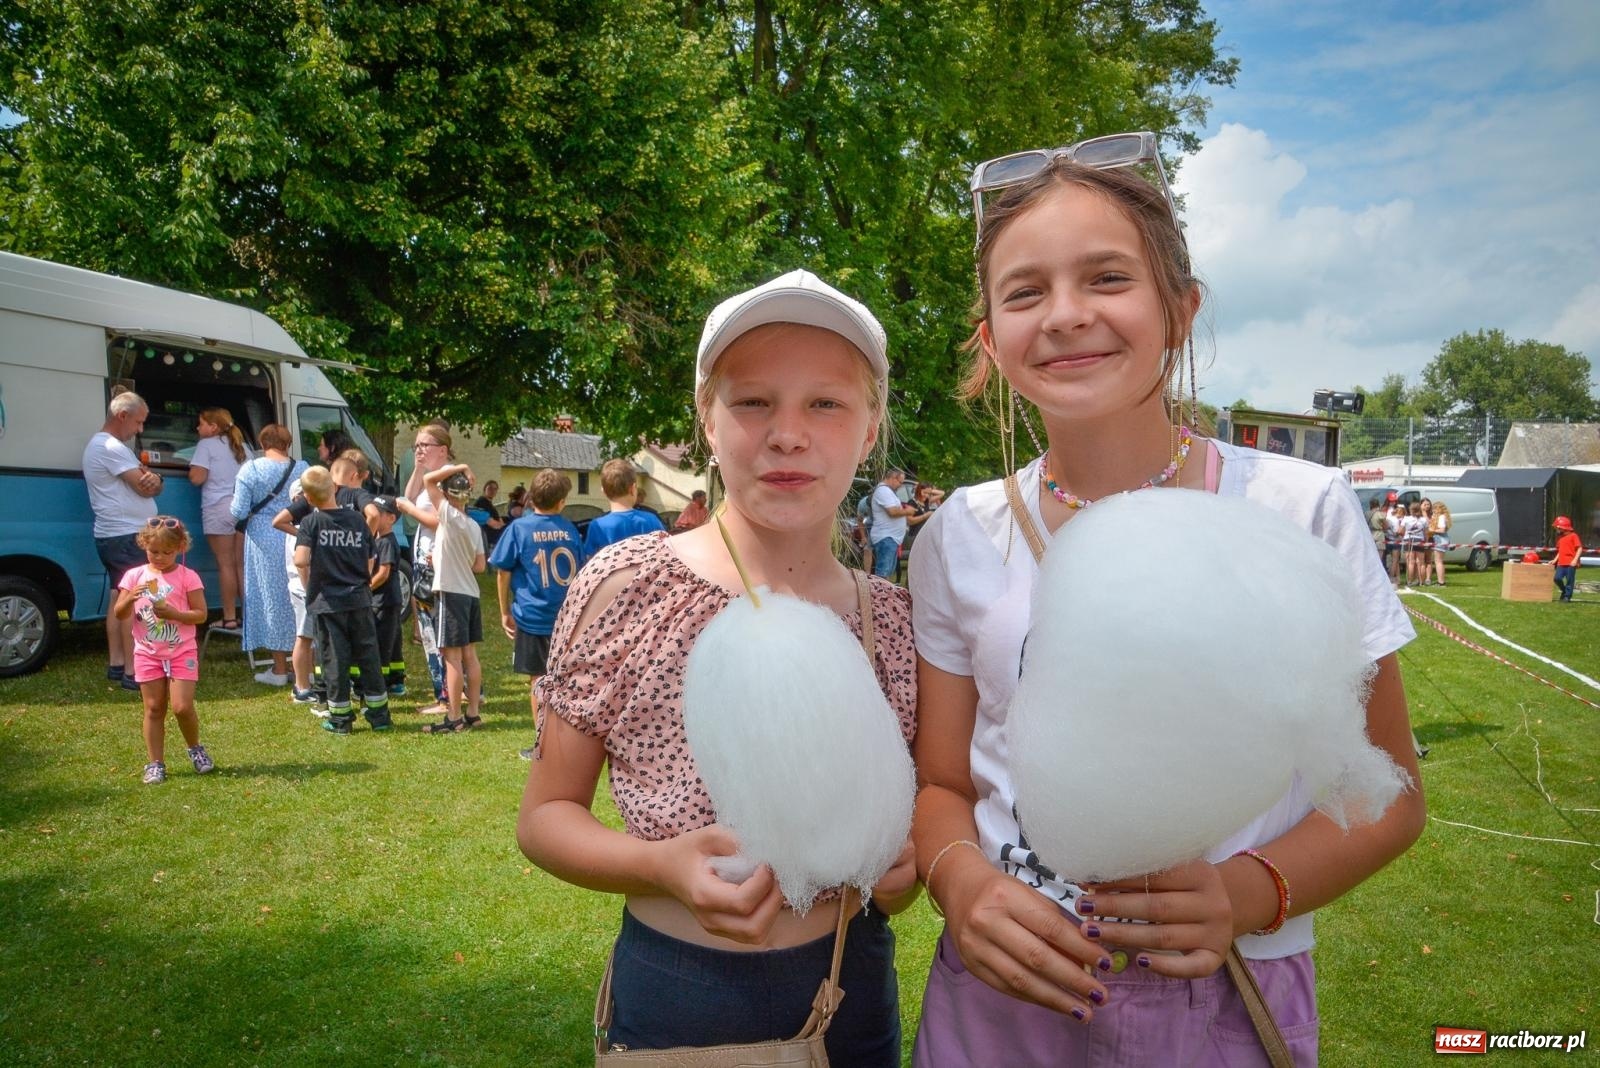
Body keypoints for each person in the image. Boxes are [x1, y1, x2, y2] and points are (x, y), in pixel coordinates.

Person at [907, 134, 1425, 1065]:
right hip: (1006, 998)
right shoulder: (959, 535)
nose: (1065, 316)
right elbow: (942, 783)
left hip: (1222, 995)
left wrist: (1248, 891)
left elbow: (1387, 794)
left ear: (1180, 311)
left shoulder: (1298, 509)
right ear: (990, 339)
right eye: (1024, 292)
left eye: (1107, 278)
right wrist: (961, 885)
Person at [517, 270, 919, 1064]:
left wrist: (897, 873)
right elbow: (544, 818)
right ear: (706, 418)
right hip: (678, 990)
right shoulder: (628, 586)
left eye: (826, 404)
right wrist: (659, 865)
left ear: (870, 429)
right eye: (754, 401)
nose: (788, 434)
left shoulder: (893, 622)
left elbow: (901, 871)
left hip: (849, 985)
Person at [490, 468, 584, 760]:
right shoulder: (569, 529)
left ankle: (542, 742)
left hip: (532, 616)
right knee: (566, 678)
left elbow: (503, 571)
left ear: (531, 498)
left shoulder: (519, 528)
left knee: (537, 679)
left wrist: (505, 611)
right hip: (566, 617)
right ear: (562, 501)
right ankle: (568, 740)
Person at [114, 516, 213, 784]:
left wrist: (175, 613)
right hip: (147, 652)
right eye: (153, 551)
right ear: (144, 544)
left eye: (167, 552)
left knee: (182, 707)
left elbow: (201, 615)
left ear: (180, 548)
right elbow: (119, 613)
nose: (159, 557)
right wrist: (130, 596)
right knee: (154, 708)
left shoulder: (188, 576)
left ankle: (195, 748)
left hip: (181, 650)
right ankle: (155, 763)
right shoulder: (134, 576)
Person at [293, 466, 391, 734]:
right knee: (368, 654)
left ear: (309, 498)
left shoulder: (312, 523)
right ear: (334, 489)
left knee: (335, 659)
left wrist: (308, 581)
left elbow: (300, 559)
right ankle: (379, 715)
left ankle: (340, 718)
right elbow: (370, 557)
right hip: (359, 598)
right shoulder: (358, 520)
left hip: (328, 601)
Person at [85, 390, 163, 689]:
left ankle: (117, 663)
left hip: (112, 533)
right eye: (139, 422)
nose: (140, 430)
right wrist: (155, 482)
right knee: (135, 600)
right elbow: (145, 486)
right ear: (122, 416)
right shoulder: (110, 447)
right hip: (126, 534)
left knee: (119, 596)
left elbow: (148, 479)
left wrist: (156, 479)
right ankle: (134, 670)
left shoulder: (101, 445)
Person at [230, 425, 306, 684]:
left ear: (263, 443)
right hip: (295, 533)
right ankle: (303, 666)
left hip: (263, 535)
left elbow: (238, 510)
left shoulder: (250, 469)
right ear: (288, 442)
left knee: (270, 597)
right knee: (296, 597)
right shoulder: (302, 467)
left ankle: (279, 669)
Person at [419, 465, 487, 733]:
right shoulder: (473, 526)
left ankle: (454, 716)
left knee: (452, 658)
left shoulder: (448, 514)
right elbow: (480, 566)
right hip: (471, 593)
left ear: (447, 495)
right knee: (470, 655)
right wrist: (447, 559)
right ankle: (473, 713)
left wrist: (461, 467)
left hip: (451, 593)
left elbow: (427, 479)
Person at [188, 407, 251, 629]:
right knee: (241, 565)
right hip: (242, 509)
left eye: (201, 423)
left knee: (225, 565)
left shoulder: (206, 445)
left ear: (213, 427)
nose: (198, 428)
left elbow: (197, 477)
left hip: (217, 507)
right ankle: (250, 616)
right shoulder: (242, 447)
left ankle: (229, 618)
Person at [405, 423, 452, 714]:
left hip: (440, 564)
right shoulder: (430, 477)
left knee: (440, 633)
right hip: (425, 562)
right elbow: (410, 496)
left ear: (443, 450)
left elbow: (440, 520)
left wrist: (407, 510)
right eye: (417, 445)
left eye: (425, 446)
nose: (420, 450)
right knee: (430, 631)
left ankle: (446, 696)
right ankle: (449, 692)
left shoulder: (449, 478)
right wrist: (417, 468)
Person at [582, 459, 666, 556]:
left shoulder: (597, 526)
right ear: (633, 489)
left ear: (604, 492)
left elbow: (590, 561)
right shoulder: (652, 520)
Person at [367, 496, 408, 693]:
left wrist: (366, 589)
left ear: (391, 519)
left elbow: (383, 573)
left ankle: (380, 683)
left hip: (384, 601)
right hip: (387, 600)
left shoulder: (386, 542)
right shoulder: (378, 540)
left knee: (382, 642)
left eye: (378, 514)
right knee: (393, 641)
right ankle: (395, 680)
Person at [868, 469, 916, 581]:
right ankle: (880, 597)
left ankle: (884, 595)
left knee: (888, 573)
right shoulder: (883, 491)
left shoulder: (888, 492)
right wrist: (908, 511)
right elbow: (892, 512)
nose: (900, 485)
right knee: (882, 574)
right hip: (886, 537)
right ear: (893, 478)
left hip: (891, 538)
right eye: (900, 481)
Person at [1552, 515, 1582, 603]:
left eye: (1558, 528)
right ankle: (1564, 591)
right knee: (1557, 578)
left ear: (1563, 528)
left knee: (1569, 580)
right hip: (1561, 563)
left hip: (1570, 563)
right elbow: (1560, 551)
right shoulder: (1560, 538)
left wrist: (1575, 560)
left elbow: (1579, 548)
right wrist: (1554, 560)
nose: (1557, 530)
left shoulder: (1574, 536)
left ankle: (1567, 597)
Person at [1431, 500, 1452, 586]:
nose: (1433, 511)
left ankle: (1441, 582)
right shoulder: (1444, 517)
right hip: (1443, 539)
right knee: (1439, 561)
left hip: (1440, 539)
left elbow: (1442, 530)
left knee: (1438, 561)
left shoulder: (1441, 517)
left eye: (1434, 509)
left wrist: (1432, 530)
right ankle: (1441, 580)